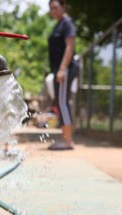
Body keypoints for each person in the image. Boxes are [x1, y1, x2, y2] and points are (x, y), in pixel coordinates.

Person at [47, 0, 77, 150]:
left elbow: (70, 46)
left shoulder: (67, 23)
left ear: (63, 7)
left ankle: (67, 141)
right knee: (60, 102)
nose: (53, 10)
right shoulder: (59, 24)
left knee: (63, 102)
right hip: (58, 69)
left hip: (65, 68)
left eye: (56, 7)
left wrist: (63, 68)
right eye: (51, 8)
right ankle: (65, 139)